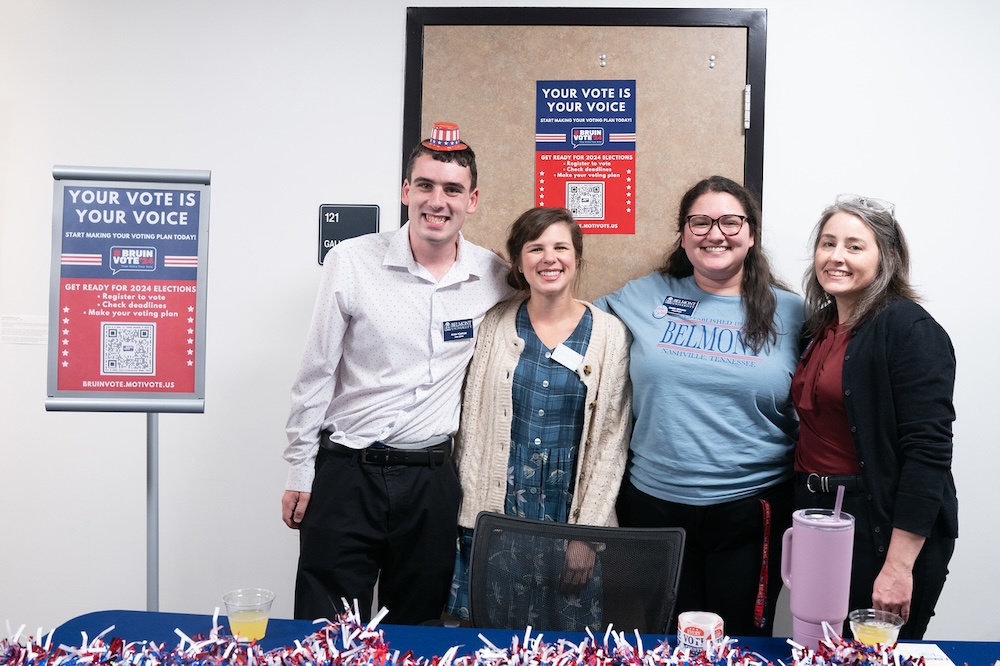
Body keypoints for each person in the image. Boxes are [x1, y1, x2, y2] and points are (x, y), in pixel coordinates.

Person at [281, 122, 514, 624]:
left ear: (471, 200)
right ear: (406, 190)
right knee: (325, 632)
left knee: (417, 630)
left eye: (453, 189)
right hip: (347, 475)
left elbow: (546, 304)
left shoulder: (493, 277)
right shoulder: (351, 262)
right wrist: (300, 469)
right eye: (426, 185)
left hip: (430, 483)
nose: (438, 200)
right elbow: (316, 373)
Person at [595, 175, 803, 636]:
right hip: (653, 508)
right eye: (701, 222)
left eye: (731, 221)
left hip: (750, 512)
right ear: (684, 234)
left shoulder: (792, 312)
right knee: (663, 638)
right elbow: (571, 324)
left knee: (740, 644)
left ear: (751, 234)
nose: (715, 233)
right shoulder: (645, 295)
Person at [445, 207, 632, 630]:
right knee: (491, 643)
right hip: (497, 514)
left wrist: (586, 535)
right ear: (518, 262)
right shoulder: (491, 325)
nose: (549, 258)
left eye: (560, 247)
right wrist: (473, 521)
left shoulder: (608, 335)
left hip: (569, 517)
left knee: (569, 647)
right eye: (536, 248)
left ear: (577, 258)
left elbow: (610, 442)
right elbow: (472, 432)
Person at [791, 194, 957, 640]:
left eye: (854, 246)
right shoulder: (819, 327)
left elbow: (929, 453)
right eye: (827, 244)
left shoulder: (909, 329)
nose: (836, 257)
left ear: (887, 258)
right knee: (818, 647)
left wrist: (899, 567)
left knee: (872, 651)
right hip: (817, 514)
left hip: (879, 526)